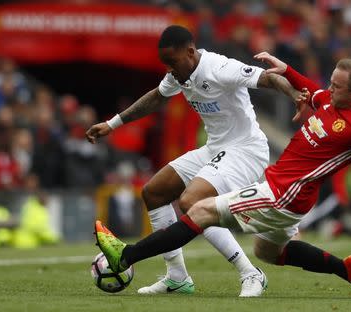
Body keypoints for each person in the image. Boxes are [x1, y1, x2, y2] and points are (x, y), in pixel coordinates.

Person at [95, 52, 351, 299]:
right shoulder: (330, 103)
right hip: (284, 193)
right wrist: (287, 70)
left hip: (283, 193)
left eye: (337, 85)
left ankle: (125, 257)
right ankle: (347, 269)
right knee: (269, 252)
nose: (329, 88)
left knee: (197, 208)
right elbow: (309, 87)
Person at [86, 26, 299, 297]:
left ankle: (251, 273)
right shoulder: (180, 73)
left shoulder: (220, 67)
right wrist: (113, 123)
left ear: (190, 52)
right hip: (216, 148)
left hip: (246, 150)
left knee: (192, 203)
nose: (170, 70)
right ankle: (177, 277)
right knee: (154, 192)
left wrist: (295, 96)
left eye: (172, 63)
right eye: (166, 65)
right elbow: (157, 96)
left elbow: (268, 78)